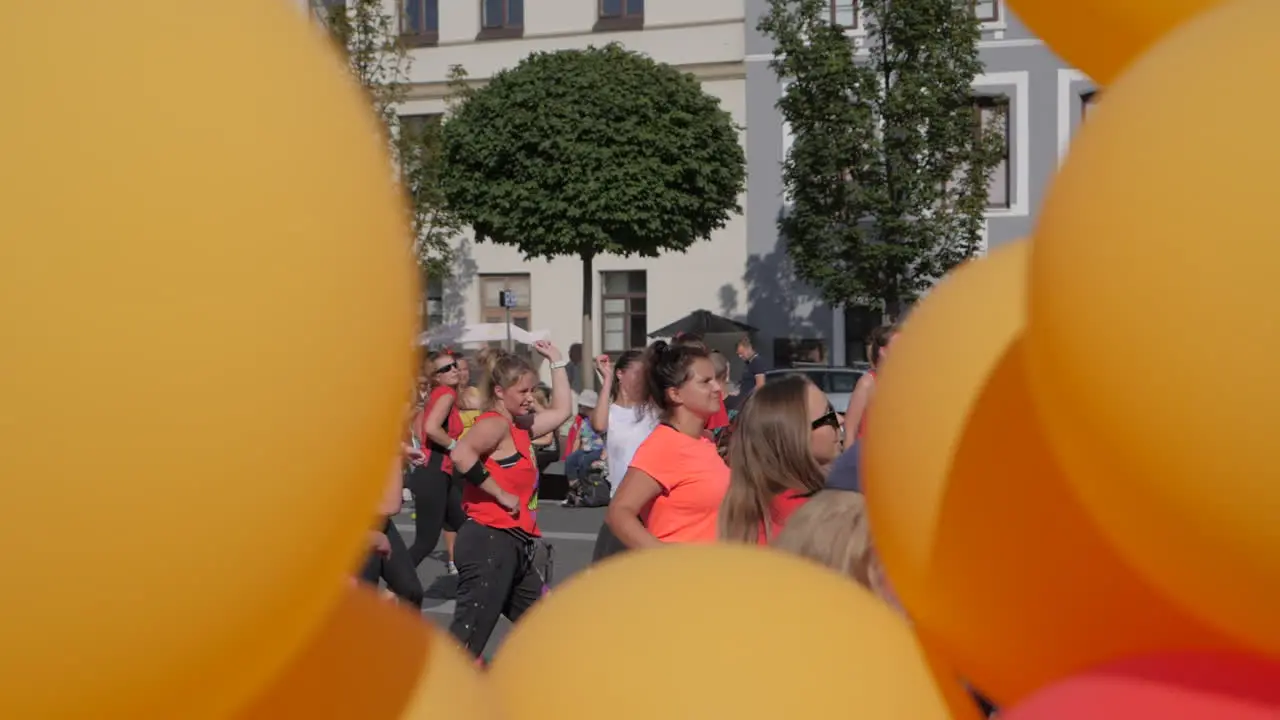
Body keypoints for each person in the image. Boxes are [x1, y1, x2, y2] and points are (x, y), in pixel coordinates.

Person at [448, 341, 571, 658]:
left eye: (532, 390)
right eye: (523, 392)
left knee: (551, 626)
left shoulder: (520, 427)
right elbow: (461, 454)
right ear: (500, 392)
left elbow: (562, 411)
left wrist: (557, 362)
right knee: (466, 645)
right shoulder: (494, 423)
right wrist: (499, 492)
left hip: (514, 546)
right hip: (488, 541)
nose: (530, 398)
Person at [605, 340, 729, 548]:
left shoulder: (704, 440)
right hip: (682, 577)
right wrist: (666, 559)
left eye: (716, 379)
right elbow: (618, 512)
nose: (717, 387)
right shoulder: (665, 445)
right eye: (705, 381)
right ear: (675, 394)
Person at [719, 375, 842, 544]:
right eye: (828, 415)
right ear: (795, 436)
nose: (840, 420)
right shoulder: (816, 520)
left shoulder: (750, 509)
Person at [589, 350, 657, 561]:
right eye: (637, 373)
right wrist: (606, 378)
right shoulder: (612, 412)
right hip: (620, 501)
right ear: (621, 374)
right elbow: (598, 424)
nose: (642, 379)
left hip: (651, 503)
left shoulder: (652, 410)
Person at [407, 351, 466, 573]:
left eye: (454, 366)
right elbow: (431, 429)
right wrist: (454, 446)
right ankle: (390, 589)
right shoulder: (446, 394)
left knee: (465, 526)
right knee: (426, 541)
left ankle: (481, 580)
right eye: (445, 369)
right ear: (436, 377)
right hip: (434, 472)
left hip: (442, 472)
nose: (453, 370)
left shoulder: (441, 394)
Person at [828, 324, 898, 493]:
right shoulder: (868, 383)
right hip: (867, 461)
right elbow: (850, 429)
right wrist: (849, 471)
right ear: (883, 351)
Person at [358, 445, 426, 608]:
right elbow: (390, 505)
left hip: (380, 522)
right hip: (354, 530)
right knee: (363, 601)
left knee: (410, 590)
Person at [564, 390, 605, 484]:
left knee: (586, 462)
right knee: (570, 460)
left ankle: (585, 484)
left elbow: (606, 437)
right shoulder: (584, 421)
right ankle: (574, 484)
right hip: (585, 450)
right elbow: (578, 438)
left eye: (580, 405)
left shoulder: (600, 420)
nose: (579, 407)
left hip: (597, 450)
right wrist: (573, 453)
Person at [731, 334, 770, 412]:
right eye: (738, 354)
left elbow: (760, 385)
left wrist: (747, 398)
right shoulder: (749, 363)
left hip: (750, 403)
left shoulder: (757, 362)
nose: (740, 356)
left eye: (742, 353)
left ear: (748, 348)